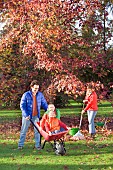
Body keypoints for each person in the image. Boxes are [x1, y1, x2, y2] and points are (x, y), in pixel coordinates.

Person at [18, 80, 48, 150]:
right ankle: (20, 145)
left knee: (37, 131)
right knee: (23, 131)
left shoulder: (40, 95)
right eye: (35, 88)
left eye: (37, 88)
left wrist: (48, 111)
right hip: (27, 116)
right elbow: (22, 105)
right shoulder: (26, 95)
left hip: (36, 116)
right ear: (31, 87)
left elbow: (44, 104)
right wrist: (26, 115)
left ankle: (37, 146)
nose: (36, 90)